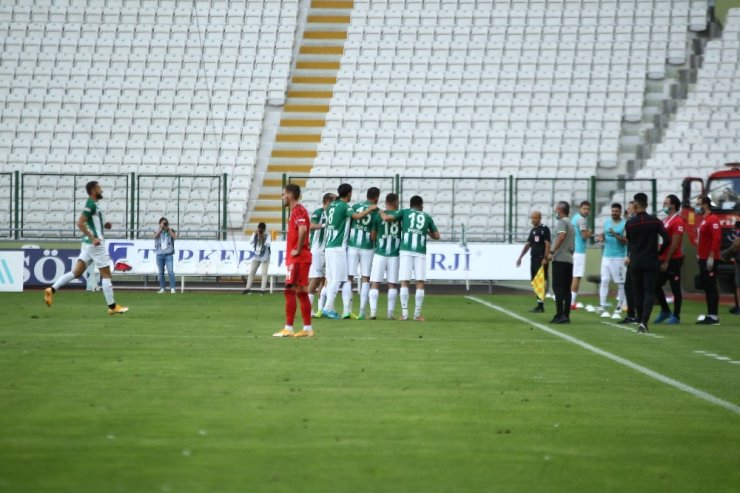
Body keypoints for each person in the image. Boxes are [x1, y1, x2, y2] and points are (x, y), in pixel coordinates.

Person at [43, 181, 128, 315]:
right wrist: (93, 237)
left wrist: (104, 225)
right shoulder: (90, 204)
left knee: (76, 273)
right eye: (99, 188)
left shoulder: (95, 205)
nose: (102, 190)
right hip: (95, 244)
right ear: (93, 191)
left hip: (88, 245)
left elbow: (91, 222)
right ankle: (112, 307)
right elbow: (80, 223)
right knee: (106, 274)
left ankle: (51, 290)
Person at [321, 183, 377, 319]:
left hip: (328, 246)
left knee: (331, 278)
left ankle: (328, 308)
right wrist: (369, 209)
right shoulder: (345, 207)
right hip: (338, 246)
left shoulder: (330, 206)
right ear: (349, 193)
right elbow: (357, 217)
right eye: (351, 193)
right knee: (337, 279)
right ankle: (328, 308)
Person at [381, 195, 440, 321]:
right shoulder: (427, 217)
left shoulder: (405, 212)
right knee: (419, 282)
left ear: (410, 204)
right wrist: (425, 231)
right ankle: (417, 315)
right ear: (421, 205)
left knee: (404, 281)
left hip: (406, 250)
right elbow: (437, 236)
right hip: (420, 252)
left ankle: (405, 314)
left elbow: (387, 218)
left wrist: (379, 210)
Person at [624, 193, 670, 334]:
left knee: (637, 292)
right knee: (649, 292)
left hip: (636, 261)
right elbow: (667, 239)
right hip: (651, 261)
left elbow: (630, 243)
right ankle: (644, 322)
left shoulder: (630, 223)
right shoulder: (655, 221)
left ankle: (639, 318)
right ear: (647, 204)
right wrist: (658, 253)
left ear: (635, 205)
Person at [273, 184, 314, 338]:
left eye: (283, 194)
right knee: (301, 292)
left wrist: (297, 249)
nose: (282, 197)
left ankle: (289, 328)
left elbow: (303, 229)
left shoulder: (298, 210)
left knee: (289, 290)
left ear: (290, 195)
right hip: (299, 258)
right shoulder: (297, 211)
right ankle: (307, 328)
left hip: (298, 258)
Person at [346, 187, 381, 319]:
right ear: (377, 197)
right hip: (367, 247)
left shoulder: (355, 206)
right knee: (366, 278)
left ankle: (347, 309)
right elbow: (374, 235)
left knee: (349, 277)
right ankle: (362, 311)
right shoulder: (376, 211)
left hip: (353, 246)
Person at [369, 193, 402, 320]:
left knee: (375, 283)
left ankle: (373, 313)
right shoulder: (400, 215)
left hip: (380, 253)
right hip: (394, 254)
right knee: (392, 284)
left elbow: (372, 236)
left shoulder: (378, 216)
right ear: (394, 202)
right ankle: (390, 314)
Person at [654, 194, 685, 325]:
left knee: (675, 288)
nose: (664, 205)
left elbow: (675, 243)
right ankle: (665, 310)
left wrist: (666, 260)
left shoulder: (678, 221)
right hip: (663, 257)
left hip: (673, 260)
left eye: (666, 203)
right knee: (655, 285)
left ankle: (676, 316)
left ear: (673, 205)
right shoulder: (666, 220)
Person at [595, 203, 627, 317]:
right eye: (613, 211)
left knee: (620, 282)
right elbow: (603, 235)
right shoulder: (607, 223)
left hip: (619, 257)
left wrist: (615, 235)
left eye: (616, 211)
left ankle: (619, 307)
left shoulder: (624, 224)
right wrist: (601, 237)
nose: (614, 213)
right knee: (604, 280)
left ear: (620, 212)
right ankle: (602, 305)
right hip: (606, 256)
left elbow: (626, 241)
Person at [516, 210, 551, 313]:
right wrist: (520, 257)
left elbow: (548, 244)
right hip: (534, 258)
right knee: (535, 282)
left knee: (540, 281)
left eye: (534, 218)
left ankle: (541, 306)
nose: (532, 220)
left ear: (539, 218)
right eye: (531, 218)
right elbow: (528, 245)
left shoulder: (544, 229)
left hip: (541, 259)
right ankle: (539, 304)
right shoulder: (533, 231)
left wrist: (545, 258)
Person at [694, 195, 721, 325]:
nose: (697, 207)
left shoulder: (713, 219)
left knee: (711, 287)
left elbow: (717, 239)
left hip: (709, 258)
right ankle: (710, 314)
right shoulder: (704, 220)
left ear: (705, 205)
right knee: (707, 286)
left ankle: (714, 316)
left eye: (699, 204)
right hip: (703, 257)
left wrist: (711, 256)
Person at [547, 201, 575, 324]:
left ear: (560, 209)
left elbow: (561, 236)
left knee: (557, 287)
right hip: (569, 259)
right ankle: (566, 315)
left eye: (556, 208)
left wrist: (552, 252)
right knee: (566, 289)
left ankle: (559, 314)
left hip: (560, 259)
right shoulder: (571, 224)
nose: (555, 211)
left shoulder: (562, 222)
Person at [308, 193, 335, 317]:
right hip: (317, 250)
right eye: (333, 201)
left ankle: (320, 310)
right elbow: (311, 226)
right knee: (315, 279)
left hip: (327, 250)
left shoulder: (332, 214)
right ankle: (308, 310)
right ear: (327, 202)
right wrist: (324, 225)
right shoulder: (319, 212)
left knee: (325, 280)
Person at [618, 201, 639, 324]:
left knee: (633, 287)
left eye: (629, 207)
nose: (627, 210)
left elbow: (633, 242)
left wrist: (629, 255)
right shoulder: (631, 222)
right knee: (629, 287)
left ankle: (635, 315)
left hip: (635, 258)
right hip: (633, 257)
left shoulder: (634, 223)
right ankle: (633, 315)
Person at [570, 200, 591, 309]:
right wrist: (590, 233)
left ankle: (569, 300)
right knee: (577, 276)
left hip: (573, 249)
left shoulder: (574, 218)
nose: (586, 211)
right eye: (584, 209)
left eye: (588, 209)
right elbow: (584, 236)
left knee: (573, 275)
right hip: (579, 251)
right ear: (580, 208)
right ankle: (572, 302)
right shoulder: (581, 219)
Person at [243, 222, 271, 294]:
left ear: (264, 230)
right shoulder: (255, 233)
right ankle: (247, 288)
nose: (260, 231)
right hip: (256, 255)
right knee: (251, 272)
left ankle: (262, 290)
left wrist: (263, 238)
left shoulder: (268, 235)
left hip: (265, 256)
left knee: (264, 273)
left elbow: (268, 245)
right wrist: (255, 234)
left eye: (261, 230)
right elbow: (250, 242)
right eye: (259, 230)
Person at [154, 216, 177, 294]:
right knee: (161, 272)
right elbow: (155, 236)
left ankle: (172, 288)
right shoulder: (157, 231)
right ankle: (162, 288)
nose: (164, 225)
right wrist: (161, 229)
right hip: (159, 254)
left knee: (170, 271)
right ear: (159, 224)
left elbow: (175, 237)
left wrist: (168, 229)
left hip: (168, 254)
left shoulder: (170, 230)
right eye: (163, 223)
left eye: (165, 223)